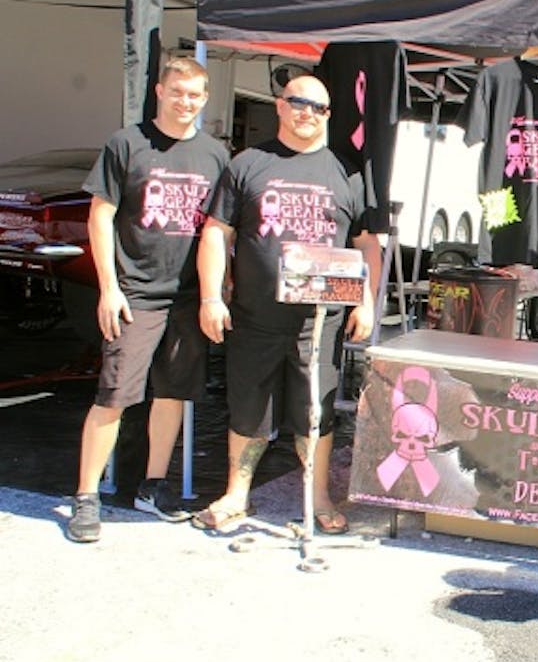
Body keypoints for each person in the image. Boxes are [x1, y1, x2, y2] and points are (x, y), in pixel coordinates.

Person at [192, 74, 380, 534]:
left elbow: (367, 244)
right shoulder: (248, 164)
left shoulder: (347, 171)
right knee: (247, 407)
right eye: (298, 103)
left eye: (319, 107)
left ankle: (317, 498)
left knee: (315, 410)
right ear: (280, 106)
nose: (307, 114)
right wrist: (211, 297)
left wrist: (366, 301)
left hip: (320, 323)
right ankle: (236, 494)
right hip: (255, 316)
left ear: (329, 115)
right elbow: (217, 233)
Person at [67, 57, 229, 543]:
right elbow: (100, 217)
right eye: (177, 92)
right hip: (134, 293)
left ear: (205, 99)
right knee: (113, 396)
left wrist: (211, 295)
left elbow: (218, 233)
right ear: (160, 91)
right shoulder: (126, 143)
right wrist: (109, 287)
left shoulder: (216, 155)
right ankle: (86, 497)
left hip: (186, 298)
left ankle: (152, 488)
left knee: (173, 396)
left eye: (195, 95)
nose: (186, 102)